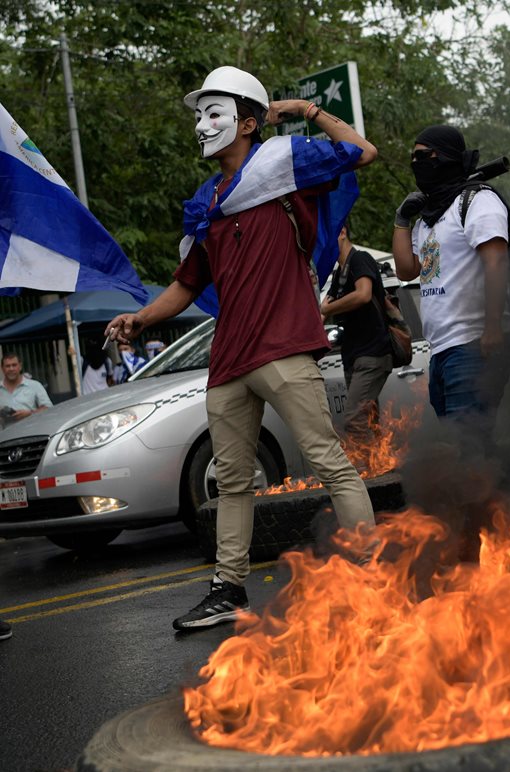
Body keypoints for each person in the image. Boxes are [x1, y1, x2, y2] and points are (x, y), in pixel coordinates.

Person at [106, 65, 379, 632]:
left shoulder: (286, 165)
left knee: (330, 463)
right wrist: (140, 317)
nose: (202, 126)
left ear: (248, 122)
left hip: (282, 348)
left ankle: (369, 575)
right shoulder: (204, 203)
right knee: (232, 483)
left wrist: (305, 111)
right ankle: (228, 589)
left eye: (215, 113)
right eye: (200, 115)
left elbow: (363, 151)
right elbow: (187, 284)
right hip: (228, 360)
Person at [391, 125, 510, 440]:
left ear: (445, 157)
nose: (416, 163)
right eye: (413, 158)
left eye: (423, 156)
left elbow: (496, 261)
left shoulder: (477, 201)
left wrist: (493, 327)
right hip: (441, 351)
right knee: (460, 451)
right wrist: (402, 221)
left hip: (472, 346)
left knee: (470, 451)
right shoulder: (428, 219)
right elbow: (407, 270)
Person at [321, 225, 393, 442]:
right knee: (369, 421)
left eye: (327, 238)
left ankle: (368, 472)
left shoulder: (360, 259)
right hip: (353, 358)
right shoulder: (338, 277)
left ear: (341, 232)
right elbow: (321, 313)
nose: (324, 246)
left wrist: (328, 309)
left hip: (373, 354)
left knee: (354, 420)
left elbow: (363, 294)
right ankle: (383, 468)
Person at [0, 352, 52, 426]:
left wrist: (30, 413)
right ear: (2, 368)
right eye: (7, 366)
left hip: (30, 433)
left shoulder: (34, 385)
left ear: (20, 366)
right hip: (5, 436)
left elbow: (49, 409)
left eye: (14, 365)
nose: (11, 369)